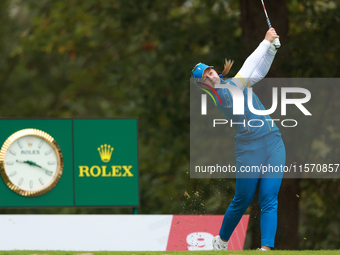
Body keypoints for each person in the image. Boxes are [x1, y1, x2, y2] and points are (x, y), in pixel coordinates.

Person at [190, 28, 285, 251]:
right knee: (243, 198)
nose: (212, 75)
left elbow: (257, 73)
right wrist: (265, 42)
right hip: (249, 149)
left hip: (273, 141)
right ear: (204, 85)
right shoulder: (224, 94)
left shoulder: (232, 83)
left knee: (269, 197)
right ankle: (221, 242)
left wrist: (271, 51)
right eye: (206, 77)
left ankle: (266, 249)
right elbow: (248, 67)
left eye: (211, 71)